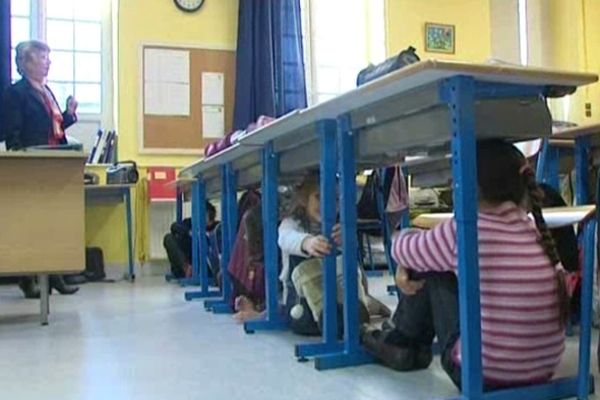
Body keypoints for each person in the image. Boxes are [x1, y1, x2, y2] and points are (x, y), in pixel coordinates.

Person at [363, 140, 568, 390]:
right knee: (439, 258)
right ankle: (403, 342)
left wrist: (407, 252)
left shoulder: (464, 231)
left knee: (432, 266)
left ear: (470, 185)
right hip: (541, 372)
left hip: (481, 374)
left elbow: (400, 249)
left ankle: (402, 342)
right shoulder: (534, 230)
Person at [1, 40, 80, 297]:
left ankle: (53, 274)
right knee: (32, 222)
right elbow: (13, 133)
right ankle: (30, 278)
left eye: (48, 57)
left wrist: (68, 114)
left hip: (54, 162)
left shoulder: (46, 91)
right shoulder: (16, 93)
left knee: (52, 222)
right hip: (33, 166)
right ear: (25, 63)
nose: (48, 62)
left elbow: (53, 128)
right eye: (42, 57)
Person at [278, 173, 389, 336]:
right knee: (307, 273)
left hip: (338, 296)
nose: (327, 204)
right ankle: (339, 317)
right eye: (318, 197)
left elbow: (349, 263)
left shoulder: (338, 226)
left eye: (335, 199)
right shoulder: (292, 224)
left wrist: (346, 242)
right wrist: (306, 242)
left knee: (347, 265)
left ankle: (358, 308)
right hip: (303, 304)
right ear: (303, 199)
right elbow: (285, 238)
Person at [163, 200, 219, 279]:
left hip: (204, 265)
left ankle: (191, 271)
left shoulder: (216, 228)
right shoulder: (191, 223)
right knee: (168, 238)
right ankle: (186, 268)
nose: (200, 217)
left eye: (204, 215)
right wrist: (189, 232)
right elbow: (174, 226)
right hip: (188, 260)